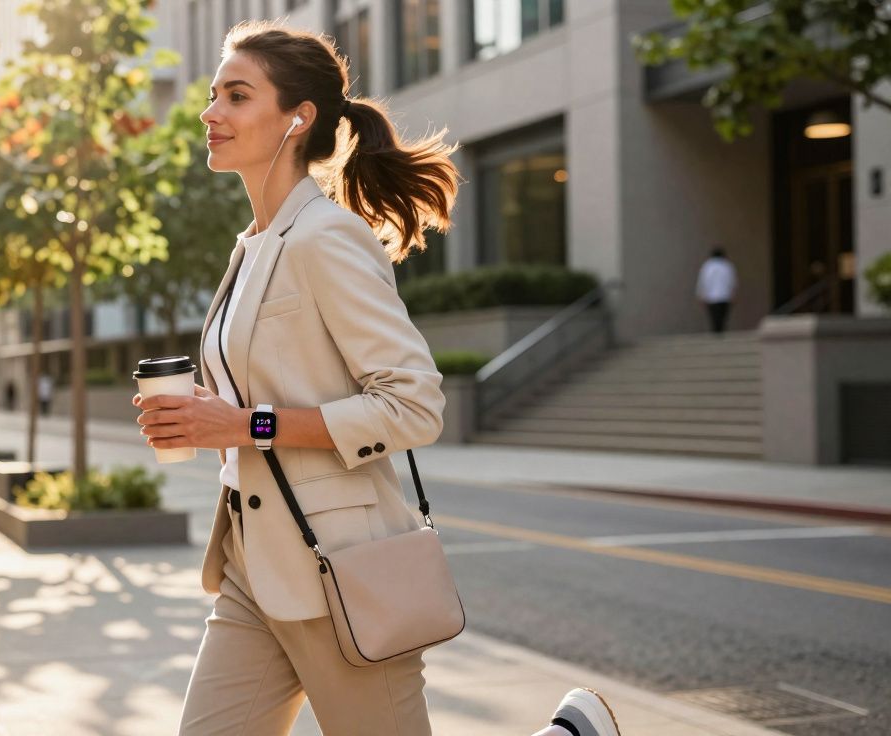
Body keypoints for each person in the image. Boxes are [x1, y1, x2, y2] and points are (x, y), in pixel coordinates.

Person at [131, 21, 622, 736]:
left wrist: (244, 424)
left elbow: (413, 405)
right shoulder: (254, 247)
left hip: (337, 572)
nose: (211, 113)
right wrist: (207, 415)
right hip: (252, 564)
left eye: (236, 96)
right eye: (213, 95)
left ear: (298, 119)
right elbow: (272, 391)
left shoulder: (328, 238)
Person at [696, 246, 737, 334]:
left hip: (711, 297)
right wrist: (733, 294)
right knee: (722, 317)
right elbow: (732, 281)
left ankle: (716, 333)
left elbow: (703, 281)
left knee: (714, 317)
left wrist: (701, 294)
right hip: (725, 296)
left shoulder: (707, 266)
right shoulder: (727, 265)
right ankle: (720, 332)